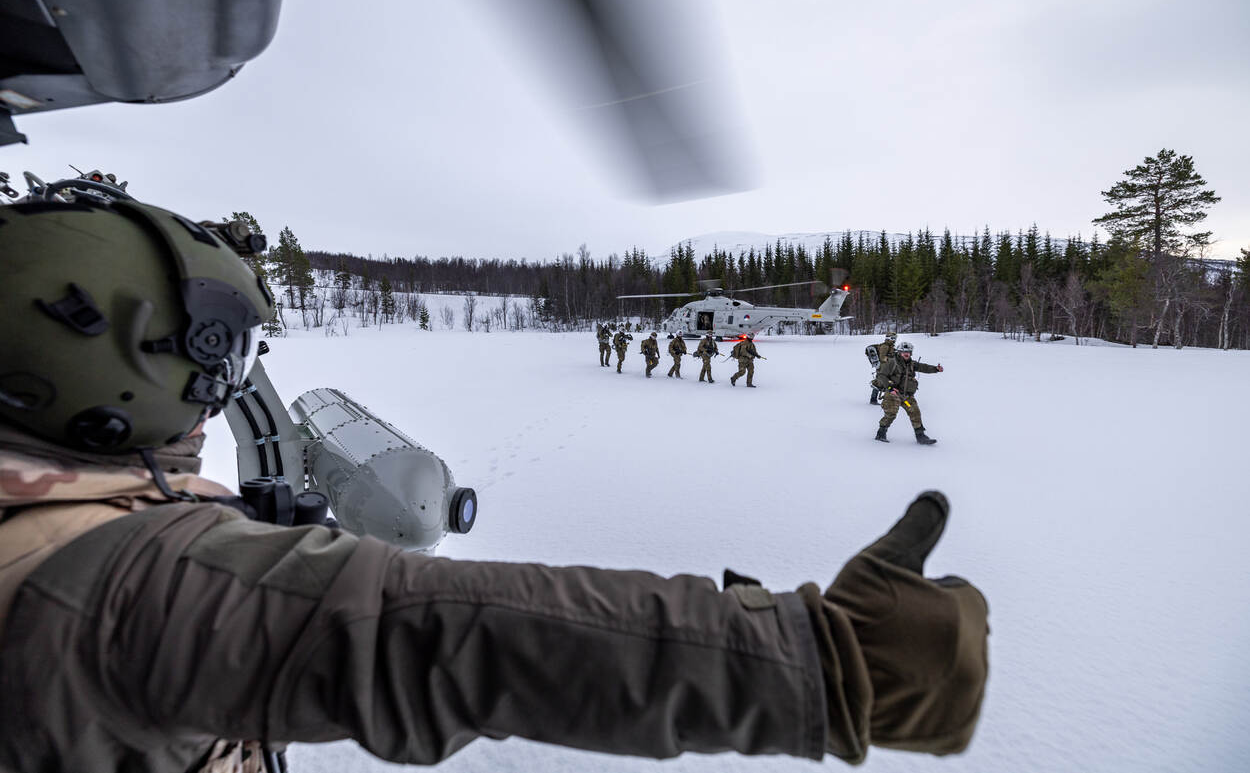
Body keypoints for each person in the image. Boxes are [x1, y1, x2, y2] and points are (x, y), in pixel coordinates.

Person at [0, 200, 988, 772]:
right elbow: (444, 631)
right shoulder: (134, 586)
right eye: (217, 360)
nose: (221, 397)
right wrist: (816, 658)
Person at [873, 341, 944, 444]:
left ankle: (921, 436)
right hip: (893, 394)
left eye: (908, 352)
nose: (906, 354)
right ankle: (881, 433)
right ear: (900, 352)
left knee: (914, 411)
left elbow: (923, 367)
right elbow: (881, 375)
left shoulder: (911, 364)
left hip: (905, 397)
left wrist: (936, 369)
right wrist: (890, 388)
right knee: (891, 413)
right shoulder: (892, 362)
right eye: (904, 352)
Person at [866, 331, 897, 404]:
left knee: (885, 382)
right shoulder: (885, 346)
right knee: (879, 383)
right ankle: (873, 399)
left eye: (895, 338)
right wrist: (890, 359)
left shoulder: (890, 346)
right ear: (889, 338)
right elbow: (882, 357)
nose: (894, 340)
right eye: (893, 338)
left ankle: (887, 399)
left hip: (887, 367)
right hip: (883, 367)